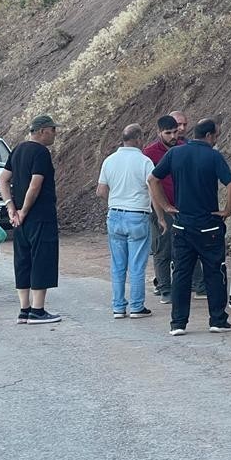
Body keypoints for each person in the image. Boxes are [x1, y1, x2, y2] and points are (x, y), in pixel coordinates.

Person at [148, 118, 231, 336]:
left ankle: (178, 324)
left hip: (182, 226)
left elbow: (152, 180)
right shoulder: (213, 156)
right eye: (216, 135)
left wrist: (166, 206)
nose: (216, 139)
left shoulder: (175, 153)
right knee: (214, 273)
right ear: (209, 136)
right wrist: (227, 210)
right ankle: (217, 320)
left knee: (180, 274)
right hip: (208, 226)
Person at [0, 114, 61, 325]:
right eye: (53, 129)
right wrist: (24, 210)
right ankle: (38, 310)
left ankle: (24, 310)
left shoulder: (18, 149)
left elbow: (3, 179)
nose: (55, 134)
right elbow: (36, 184)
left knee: (23, 260)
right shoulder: (41, 152)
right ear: (42, 130)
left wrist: (11, 208)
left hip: (19, 220)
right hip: (39, 215)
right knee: (41, 259)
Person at [97, 123, 156, 319]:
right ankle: (137, 307)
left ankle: (118, 307)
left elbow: (101, 190)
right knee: (137, 264)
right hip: (138, 215)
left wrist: (115, 201)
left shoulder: (109, 161)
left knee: (118, 264)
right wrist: (161, 215)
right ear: (139, 139)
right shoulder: (145, 161)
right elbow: (153, 189)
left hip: (114, 214)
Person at [169, 108, 206, 297]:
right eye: (178, 125)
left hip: (189, 208)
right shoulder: (155, 151)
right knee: (167, 249)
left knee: (192, 248)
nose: (182, 128)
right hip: (167, 207)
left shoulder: (192, 147)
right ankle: (168, 286)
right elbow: (152, 179)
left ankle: (198, 284)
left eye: (184, 124)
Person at [143, 115, 179, 304]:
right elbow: (149, 182)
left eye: (175, 132)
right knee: (163, 248)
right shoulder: (149, 153)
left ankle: (192, 285)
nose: (173, 136)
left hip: (182, 205)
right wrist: (160, 211)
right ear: (159, 133)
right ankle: (165, 288)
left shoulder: (183, 147)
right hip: (161, 206)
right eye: (168, 133)